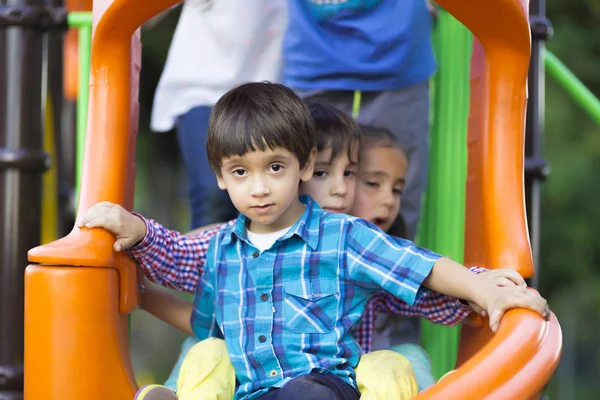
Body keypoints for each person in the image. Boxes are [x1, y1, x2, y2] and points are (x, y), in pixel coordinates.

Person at [78, 83, 549, 400]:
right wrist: (136, 229)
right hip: (252, 389)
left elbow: (416, 266)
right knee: (207, 353)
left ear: (303, 166)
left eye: (275, 169)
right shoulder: (222, 245)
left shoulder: (341, 237)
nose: (259, 188)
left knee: (337, 382)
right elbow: (177, 258)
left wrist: (484, 288)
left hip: (323, 385)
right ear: (221, 178)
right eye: (241, 173)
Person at [150, 0, 287, 228]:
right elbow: (142, 15)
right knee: (212, 193)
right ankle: (206, 262)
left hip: (269, 87)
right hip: (201, 88)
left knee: (268, 194)